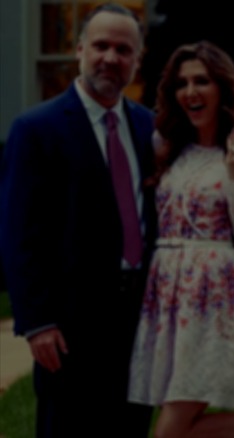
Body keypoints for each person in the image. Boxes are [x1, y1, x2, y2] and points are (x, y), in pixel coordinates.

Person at [0, 3, 155, 436]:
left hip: (139, 319)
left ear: (136, 60)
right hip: (69, 324)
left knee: (130, 426)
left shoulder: (149, 128)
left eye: (123, 49)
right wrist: (36, 321)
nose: (110, 57)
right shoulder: (36, 129)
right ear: (80, 48)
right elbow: (18, 233)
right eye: (101, 45)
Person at [127, 41, 234, 438]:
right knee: (172, 421)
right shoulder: (166, 148)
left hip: (216, 294)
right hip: (166, 293)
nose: (191, 91)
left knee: (169, 429)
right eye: (183, 83)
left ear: (221, 88)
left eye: (202, 81)